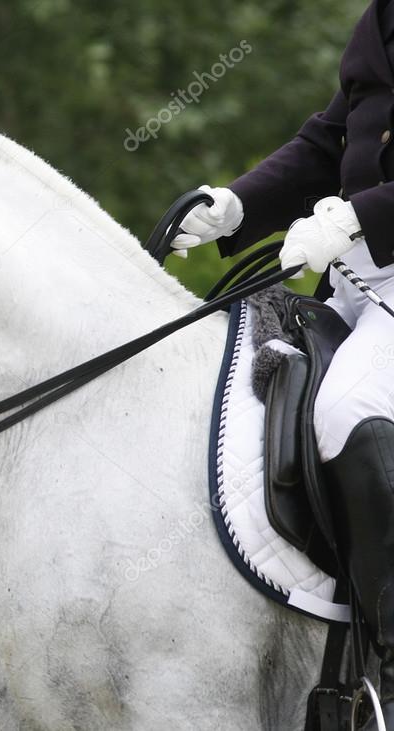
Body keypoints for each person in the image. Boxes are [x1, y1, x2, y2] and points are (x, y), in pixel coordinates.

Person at [172, 2, 394, 726]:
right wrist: (236, 206)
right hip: (355, 282)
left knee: (347, 408)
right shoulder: (381, 18)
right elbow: (328, 141)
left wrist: (357, 215)